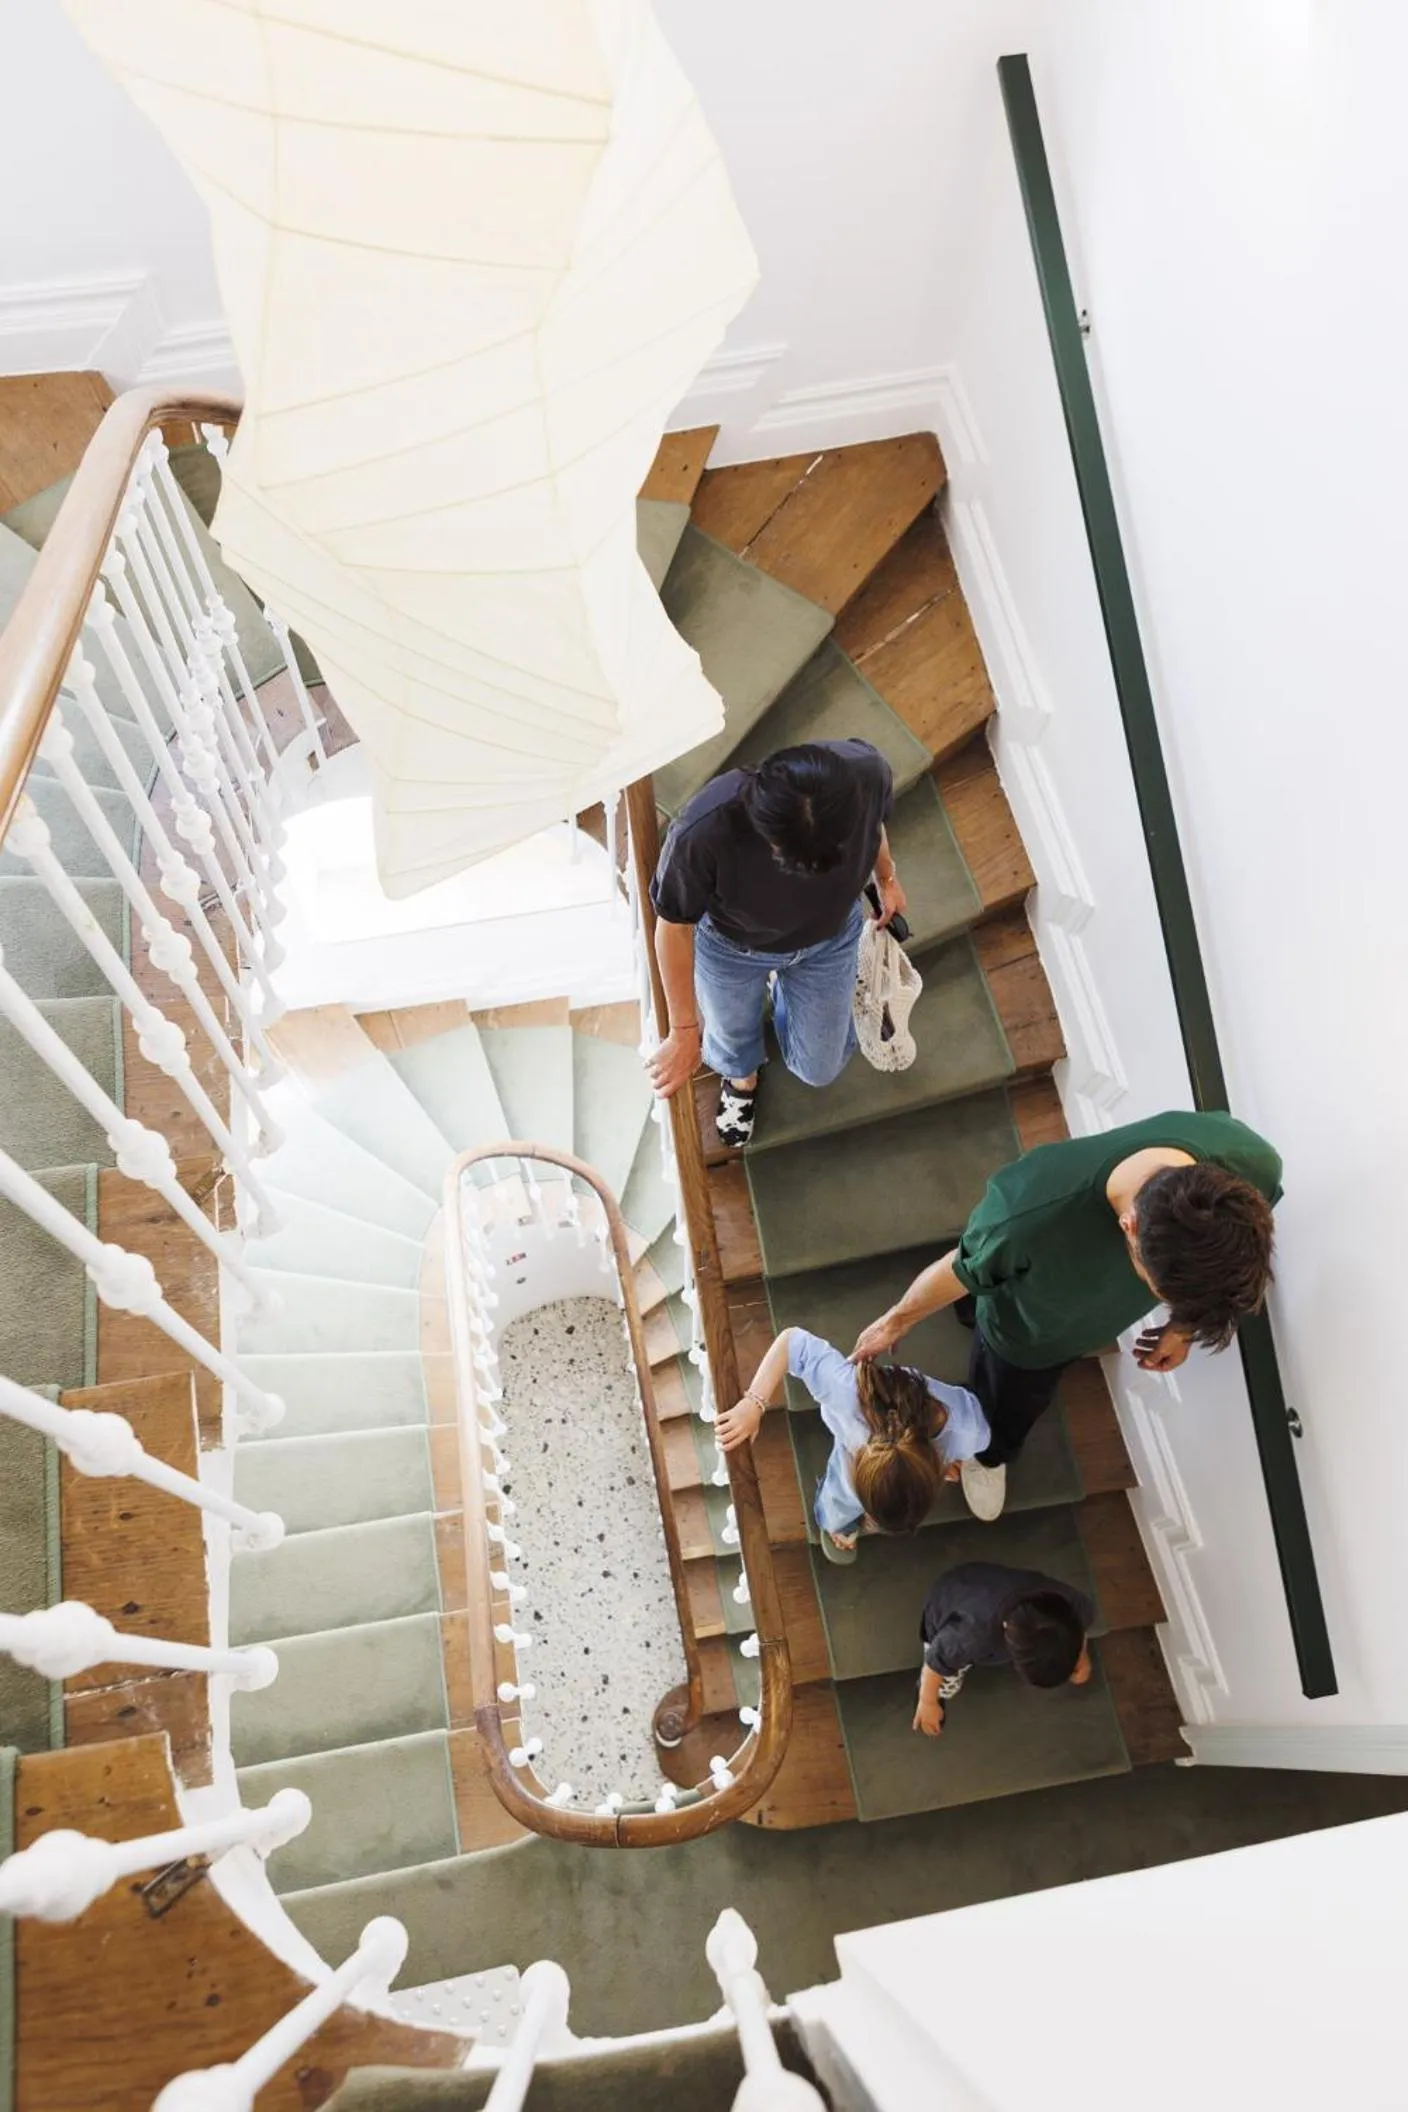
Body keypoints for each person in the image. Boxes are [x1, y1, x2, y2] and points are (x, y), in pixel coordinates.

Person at [853, 1111, 1281, 1523]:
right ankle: (990, 1453)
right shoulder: (1026, 1216)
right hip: (1024, 1334)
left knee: (986, 1284)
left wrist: (1184, 1328)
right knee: (1004, 1394)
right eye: (1161, 1294)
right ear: (1129, 1226)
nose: (1164, 1306)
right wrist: (896, 1321)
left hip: (1067, 1312)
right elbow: (960, 1269)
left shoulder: (1250, 1162)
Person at [646, 739, 907, 1147]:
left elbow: (875, 824)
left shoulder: (868, 771)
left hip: (830, 940)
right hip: (733, 950)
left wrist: (886, 877)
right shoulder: (702, 833)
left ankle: (782, 990)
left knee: (820, 1069)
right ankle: (742, 1079)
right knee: (730, 1044)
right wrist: (683, 1031)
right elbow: (673, 926)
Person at [716, 1325, 989, 1564]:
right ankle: (834, 1521)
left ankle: (840, 1519)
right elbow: (791, 1342)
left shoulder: (969, 1430)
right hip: (851, 1432)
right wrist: (754, 1403)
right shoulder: (847, 1393)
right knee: (839, 1499)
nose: (870, 1519)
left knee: (848, 1497)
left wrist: (946, 1460)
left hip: (885, 1445)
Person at [913, 1560, 1094, 1736]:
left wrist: (1081, 1656)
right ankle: (928, 1689)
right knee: (947, 1684)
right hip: (945, 1611)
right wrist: (928, 1701)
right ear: (1006, 1628)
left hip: (984, 1582)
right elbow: (937, 1660)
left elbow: (1080, 1623)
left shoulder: (1066, 1600)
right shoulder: (973, 1634)